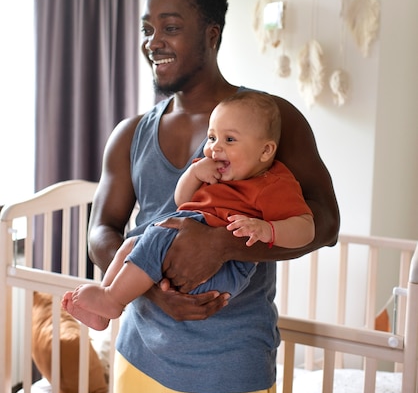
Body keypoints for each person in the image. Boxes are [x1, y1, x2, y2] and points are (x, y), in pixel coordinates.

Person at [87, 0, 340, 393]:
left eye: (171, 27)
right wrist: (153, 291)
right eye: (148, 28)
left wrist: (224, 244)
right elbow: (103, 229)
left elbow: (324, 224)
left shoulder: (271, 121)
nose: (153, 41)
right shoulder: (131, 133)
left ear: (211, 34)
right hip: (139, 358)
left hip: (228, 366)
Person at [62, 91, 314, 331]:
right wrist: (193, 174)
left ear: (266, 151)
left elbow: (306, 228)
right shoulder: (213, 171)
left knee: (154, 238)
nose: (215, 147)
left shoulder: (273, 184)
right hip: (182, 238)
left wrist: (268, 230)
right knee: (131, 244)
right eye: (212, 137)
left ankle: (113, 300)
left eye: (229, 139)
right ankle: (104, 308)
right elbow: (182, 201)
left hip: (226, 270)